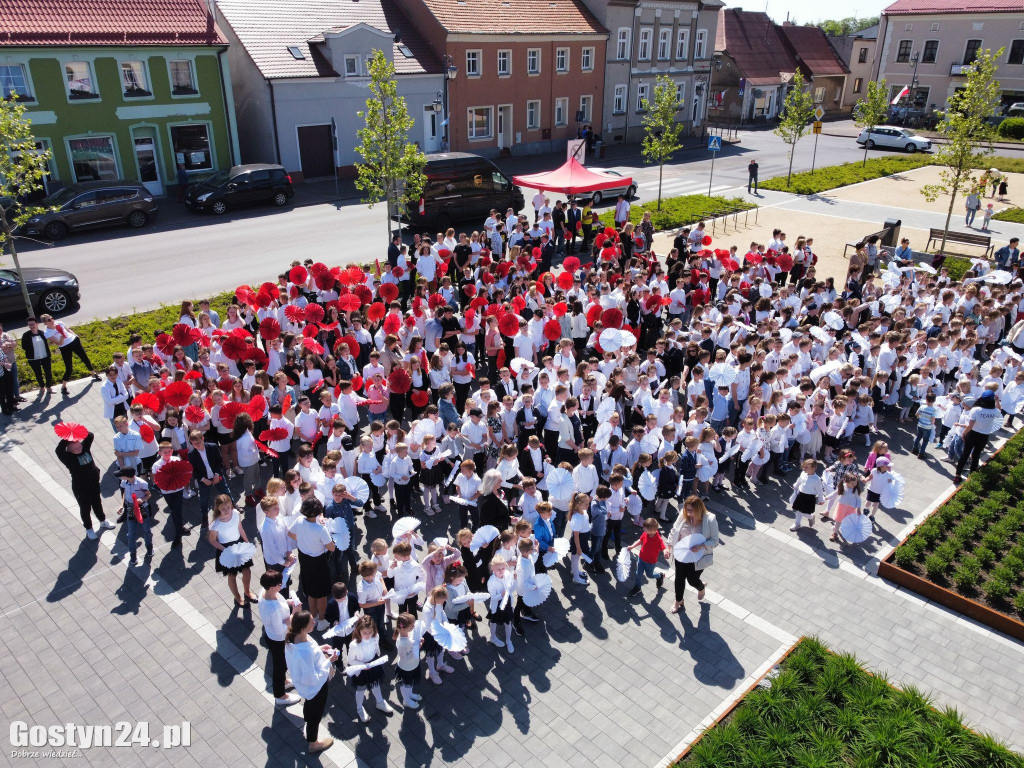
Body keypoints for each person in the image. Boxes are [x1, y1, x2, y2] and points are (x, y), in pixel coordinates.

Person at [284, 611, 336, 752]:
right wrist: (328, 662)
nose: (314, 622)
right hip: (315, 689)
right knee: (316, 714)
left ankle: (307, 721)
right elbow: (313, 678)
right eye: (311, 622)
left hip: (306, 689)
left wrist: (319, 649)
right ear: (303, 628)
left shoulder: (293, 638)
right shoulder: (304, 652)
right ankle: (313, 743)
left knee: (309, 706)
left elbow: (309, 655)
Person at [55, 429, 114, 540]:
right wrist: (67, 437)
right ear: (69, 448)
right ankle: (89, 529)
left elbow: (90, 436)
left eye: (79, 445)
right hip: (81, 487)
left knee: (97, 503)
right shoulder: (67, 457)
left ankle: (103, 520)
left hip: (94, 483)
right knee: (85, 508)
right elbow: (58, 450)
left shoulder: (85, 448)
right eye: (76, 448)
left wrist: (76, 432)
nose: (79, 448)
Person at [665, 495, 719, 613]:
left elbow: (715, 541)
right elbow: (674, 530)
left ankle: (701, 587)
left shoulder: (710, 519)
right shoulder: (683, 514)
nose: (688, 513)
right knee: (679, 578)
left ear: (699, 509)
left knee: (692, 580)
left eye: (690, 510)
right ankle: (678, 601)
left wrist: (701, 546)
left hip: (698, 556)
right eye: (686, 509)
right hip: (682, 554)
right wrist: (668, 546)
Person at [288, 498, 336, 630]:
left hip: (304, 558)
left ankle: (313, 616)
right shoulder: (321, 529)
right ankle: (321, 620)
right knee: (322, 594)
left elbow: (290, 533)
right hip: (318, 561)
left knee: (310, 591)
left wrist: (304, 540)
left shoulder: (298, 521)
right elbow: (331, 547)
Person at [258, 570, 302, 707]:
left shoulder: (265, 592)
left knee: (281, 665)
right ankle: (280, 695)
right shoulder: (272, 608)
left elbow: (278, 599)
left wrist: (289, 602)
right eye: (279, 583)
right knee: (280, 666)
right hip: (278, 640)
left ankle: (284, 682)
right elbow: (281, 629)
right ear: (272, 587)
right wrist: (294, 614)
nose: (281, 585)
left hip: (274, 636)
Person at [208, 494, 257, 606]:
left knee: (247, 571)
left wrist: (246, 543)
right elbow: (213, 541)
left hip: (238, 544)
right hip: (225, 548)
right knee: (232, 575)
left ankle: (247, 592)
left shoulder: (235, 513)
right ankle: (238, 598)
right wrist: (225, 550)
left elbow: (240, 528)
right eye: (223, 509)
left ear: (231, 505)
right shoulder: (216, 524)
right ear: (218, 508)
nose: (226, 511)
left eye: (228, 508)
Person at [40, 314, 100, 394]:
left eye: (52, 318)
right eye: (49, 320)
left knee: (85, 358)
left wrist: (75, 335)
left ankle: (93, 373)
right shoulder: (47, 333)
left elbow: (67, 330)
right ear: (45, 323)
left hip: (74, 341)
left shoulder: (59, 323)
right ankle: (63, 386)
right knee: (69, 368)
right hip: (64, 347)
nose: (52, 321)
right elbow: (59, 343)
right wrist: (62, 337)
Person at [954, 389, 1002, 484]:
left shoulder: (975, 410)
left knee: (965, 454)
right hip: (984, 436)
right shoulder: (994, 411)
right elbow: (999, 411)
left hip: (972, 434)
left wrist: (964, 433)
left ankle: (957, 476)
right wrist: (997, 401)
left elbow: (970, 425)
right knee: (976, 455)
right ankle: (972, 476)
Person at [626, 517, 666, 597]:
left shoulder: (658, 539)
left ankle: (660, 576)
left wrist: (666, 552)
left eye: (645, 529)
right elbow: (640, 540)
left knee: (649, 575)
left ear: (651, 530)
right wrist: (632, 546)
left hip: (650, 562)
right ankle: (637, 587)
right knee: (638, 574)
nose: (643, 529)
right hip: (641, 558)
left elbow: (663, 547)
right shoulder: (646, 533)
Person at [21, 317, 53, 394]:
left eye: (33, 324)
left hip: (45, 356)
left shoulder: (42, 333)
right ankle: (42, 387)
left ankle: (49, 387)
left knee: (48, 372)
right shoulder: (26, 335)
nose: (31, 326)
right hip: (33, 358)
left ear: (37, 324)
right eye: (29, 325)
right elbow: (24, 347)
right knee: (38, 373)